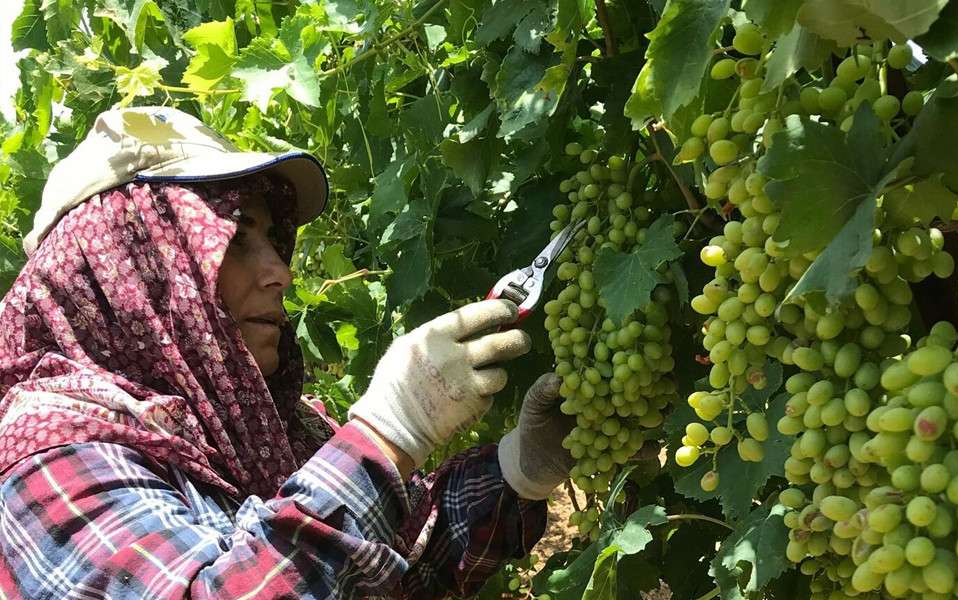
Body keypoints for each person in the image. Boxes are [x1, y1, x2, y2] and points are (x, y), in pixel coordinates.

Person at [0, 107, 574, 598]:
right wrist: (386, 436)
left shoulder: (272, 427)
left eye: (273, 241)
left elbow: (395, 567)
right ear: (129, 270)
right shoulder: (44, 463)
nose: (281, 272)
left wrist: (518, 471)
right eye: (234, 236)